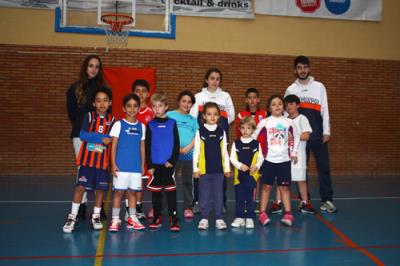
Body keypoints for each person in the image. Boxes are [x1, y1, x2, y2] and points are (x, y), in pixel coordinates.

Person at [285, 55, 337, 213]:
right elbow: (287, 114)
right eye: (299, 68)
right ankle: (304, 200)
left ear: (309, 68)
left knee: (324, 168)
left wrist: (327, 130)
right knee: (301, 169)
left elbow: (325, 109)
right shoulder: (290, 89)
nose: (302, 70)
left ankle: (327, 200)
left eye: (305, 67)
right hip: (300, 139)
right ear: (295, 70)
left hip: (318, 136)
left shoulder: (319, 87)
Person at [63, 87, 114, 233]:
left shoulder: (113, 120)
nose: (102, 104)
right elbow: (83, 135)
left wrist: (107, 139)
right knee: (80, 187)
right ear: (93, 103)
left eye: (105, 101)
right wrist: (101, 138)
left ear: (110, 103)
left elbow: (112, 139)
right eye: (98, 101)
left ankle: (96, 216)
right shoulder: (89, 116)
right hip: (87, 161)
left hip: (102, 163)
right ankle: (72, 216)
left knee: (100, 190)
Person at [66, 54, 108, 221]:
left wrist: (102, 135)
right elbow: (71, 114)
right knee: (82, 169)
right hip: (81, 136)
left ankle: (99, 208)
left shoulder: (104, 90)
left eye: (97, 67)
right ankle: (81, 206)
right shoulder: (74, 88)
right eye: (91, 65)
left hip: (100, 136)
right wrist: (85, 128)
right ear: (85, 67)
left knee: (100, 169)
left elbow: (107, 114)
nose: (93, 69)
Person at [190, 68, 235, 213]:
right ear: (206, 80)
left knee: (220, 170)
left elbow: (231, 116)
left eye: (217, 78)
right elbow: (193, 116)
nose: (215, 81)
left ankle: (221, 203)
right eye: (212, 78)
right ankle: (197, 201)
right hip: (203, 138)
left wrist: (217, 129)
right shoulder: (199, 96)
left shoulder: (225, 96)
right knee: (200, 168)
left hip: (219, 138)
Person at [254, 95, 299, 227]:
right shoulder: (265, 122)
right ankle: (262, 213)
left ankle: (288, 214)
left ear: (283, 106)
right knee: (266, 187)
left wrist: (294, 152)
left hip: (284, 160)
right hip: (268, 160)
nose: (277, 106)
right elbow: (254, 136)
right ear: (269, 107)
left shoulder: (288, 122)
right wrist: (256, 154)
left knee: (284, 187)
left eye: (279, 104)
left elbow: (296, 136)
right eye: (274, 104)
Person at [108, 93, 146, 232]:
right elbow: (114, 146)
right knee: (118, 193)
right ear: (124, 108)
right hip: (121, 166)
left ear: (139, 108)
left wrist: (142, 165)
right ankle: (115, 219)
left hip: (135, 167)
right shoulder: (118, 124)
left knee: (132, 193)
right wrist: (113, 164)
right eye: (129, 106)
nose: (132, 109)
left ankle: (132, 218)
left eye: (135, 106)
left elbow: (142, 146)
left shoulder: (142, 127)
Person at [145, 93, 181, 232]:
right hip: (155, 165)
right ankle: (157, 216)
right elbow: (147, 146)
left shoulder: (172, 123)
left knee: (171, 192)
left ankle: (174, 217)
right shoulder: (150, 125)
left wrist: (172, 161)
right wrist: (150, 165)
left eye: (160, 106)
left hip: (168, 165)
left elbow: (176, 144)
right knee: (156, 193)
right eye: (154, 106)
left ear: (166, 107)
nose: (157, 109)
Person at [193, 102, 231, 230]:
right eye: (209, 114)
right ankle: (204, 218)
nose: (212, 117)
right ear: (204, 116)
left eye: (215, 114)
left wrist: (227, 168)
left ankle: (219, 218)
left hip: (218, 171)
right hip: (204, 170)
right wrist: (195, 169)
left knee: (218, 194)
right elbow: (196, 152)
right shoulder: (200, 132)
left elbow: (224, 151)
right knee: (204, 195)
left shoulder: (221, 132)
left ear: (219, 116)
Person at [166, 90, 199, 219]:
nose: (186, 104)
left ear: (192, 105)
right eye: (184, 101)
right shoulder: (169, 115)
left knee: (187, 181)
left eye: (189, 102)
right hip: (171, 155)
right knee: (166, 180)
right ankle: (162, 206)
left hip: (188, 155)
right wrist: (174, 147)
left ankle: (188, 207)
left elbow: (197, 135)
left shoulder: (192, 120)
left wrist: (189, 147)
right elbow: (164, 132)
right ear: (179, 101)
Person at [235, 88, 268, 213]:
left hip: (261, 151)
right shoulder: (241, 115)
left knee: (257, 176)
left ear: (258, 99)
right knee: (245, 176)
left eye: (255, 97)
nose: (252, 100)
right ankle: (245, 200)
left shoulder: (265, 114)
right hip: (245, 152)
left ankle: (255, 200)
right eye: (250, 97)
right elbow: (239, 134)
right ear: (246, 100)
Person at [230, 116, 264, 229]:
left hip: (251, 176)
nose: (245, 130)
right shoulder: (236, 143)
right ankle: (239, 217)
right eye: (243, 128)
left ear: (253, 130)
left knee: (250, 198)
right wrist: (240, 166)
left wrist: (257, 166)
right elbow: (232, 158)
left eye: (248, 128)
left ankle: (250, 218)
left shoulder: (256, 144)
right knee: (239, 197)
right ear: (239, 129)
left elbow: (261, 158)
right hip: (238, 177)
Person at [130, 79, 155, 220]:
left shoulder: (151, 112)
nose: (140, 94)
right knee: (135, 182)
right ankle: (134, 207)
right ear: (133, 93)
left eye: (143, 91)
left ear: (148, 94)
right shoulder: (130, 111)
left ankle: (141, 207)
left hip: (148, 154)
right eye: (137, 91)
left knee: (147, 182)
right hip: (133, 154)